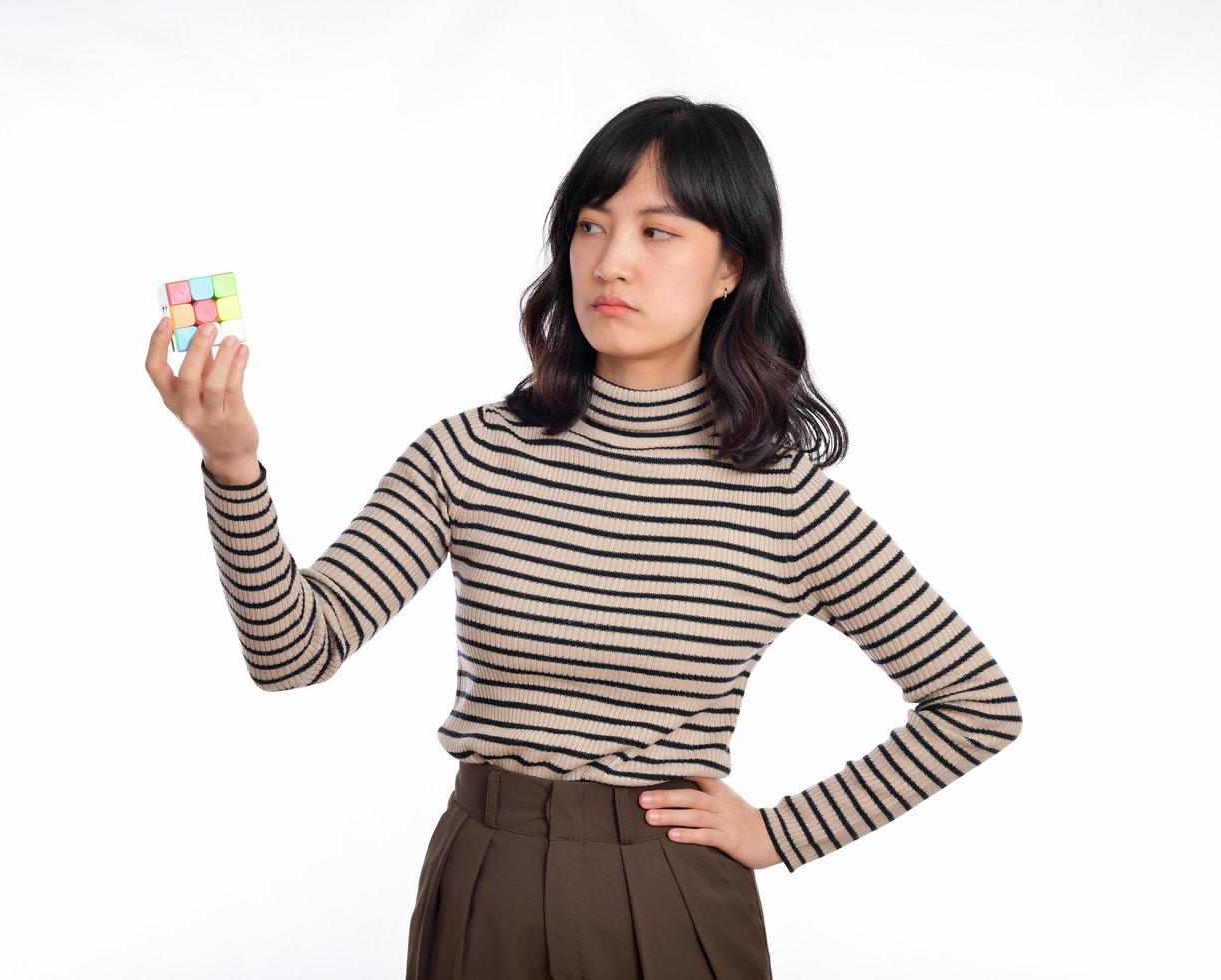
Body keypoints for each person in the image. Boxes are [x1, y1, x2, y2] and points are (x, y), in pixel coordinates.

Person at [144, 95, 1024, 980]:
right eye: (591, 226)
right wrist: (233, 466)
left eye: (659, 232)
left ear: (731, 268)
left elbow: (977, 704)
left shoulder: (786, 504)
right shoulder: (472, 452)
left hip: (672, 895)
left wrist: (780, 832)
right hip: (485, 881)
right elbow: (291, 653)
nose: (612, 262)